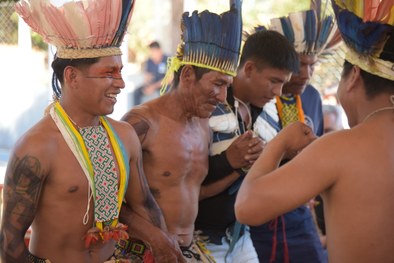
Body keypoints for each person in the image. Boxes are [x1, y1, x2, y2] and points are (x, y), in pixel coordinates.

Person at [0, 1, 184, 262]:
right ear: (72, 77)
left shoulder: (125, 136)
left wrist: (161, 242)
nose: (120, 83)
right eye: (109, 73)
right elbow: (10, 242)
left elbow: (144, 207)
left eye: (120, 71)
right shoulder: (36, 147)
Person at [235, 0, 394, 262]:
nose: (306, 74)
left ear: (353, 76)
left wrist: (281, 142)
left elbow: (247, 207)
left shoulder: (339, 147)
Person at [121, 2, 243, 262]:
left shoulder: (203, 125)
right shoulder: (142, 123)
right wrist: (155, 237)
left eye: (227, 86)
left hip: (186, 250)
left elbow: (191, 190)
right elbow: (106, 198)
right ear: (188, 74)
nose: (223, 97)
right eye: (217, 84)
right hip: (143, 252)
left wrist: (239, 168)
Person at [195, 29, 299, 263]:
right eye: (274, 81)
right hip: (198, 239)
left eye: (283, 84)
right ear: (249, 68)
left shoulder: (265, 110)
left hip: (240, 237)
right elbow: (177, 177)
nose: (278, 92)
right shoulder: (205, 105)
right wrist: (228, 162)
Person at [249, 3, 341, 262]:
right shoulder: (259, 98)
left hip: (300, 212)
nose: (306, 74)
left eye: (312, 66)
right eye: (300, 65)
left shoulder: (311, 97)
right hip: (263, 212)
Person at [133, 41, 169, 105]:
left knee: (164, 93)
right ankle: (136, 112)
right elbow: (147, 76)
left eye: (154, 51)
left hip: (164, 86)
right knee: (136, 92)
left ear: (159, 50)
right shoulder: (149, 61)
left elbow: (169, 79)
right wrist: (147, 83)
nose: (152, 54)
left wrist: (153, 87)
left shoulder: (168, 60)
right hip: (152, 84)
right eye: (151, 52)